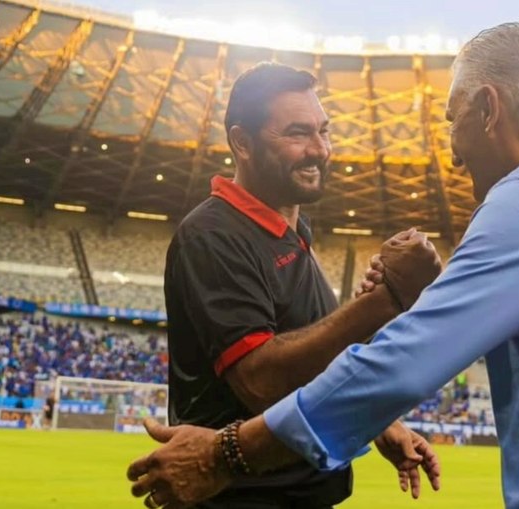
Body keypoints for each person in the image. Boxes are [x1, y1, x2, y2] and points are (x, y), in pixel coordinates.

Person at [126, 23, 519, 508]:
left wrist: (223, 455)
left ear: (489, 108)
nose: (452, 152)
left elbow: (405, 362)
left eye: (452, 120)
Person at [134, 62, 442, 509]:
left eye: (324, 131)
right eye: (298, 133)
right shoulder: (214, 235)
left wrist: (378, 423)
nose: (319, 149)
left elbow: (315, 357)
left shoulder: (295, 232)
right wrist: (386, 300)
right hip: (240, 499)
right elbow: (260, 381)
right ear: (242, 143)